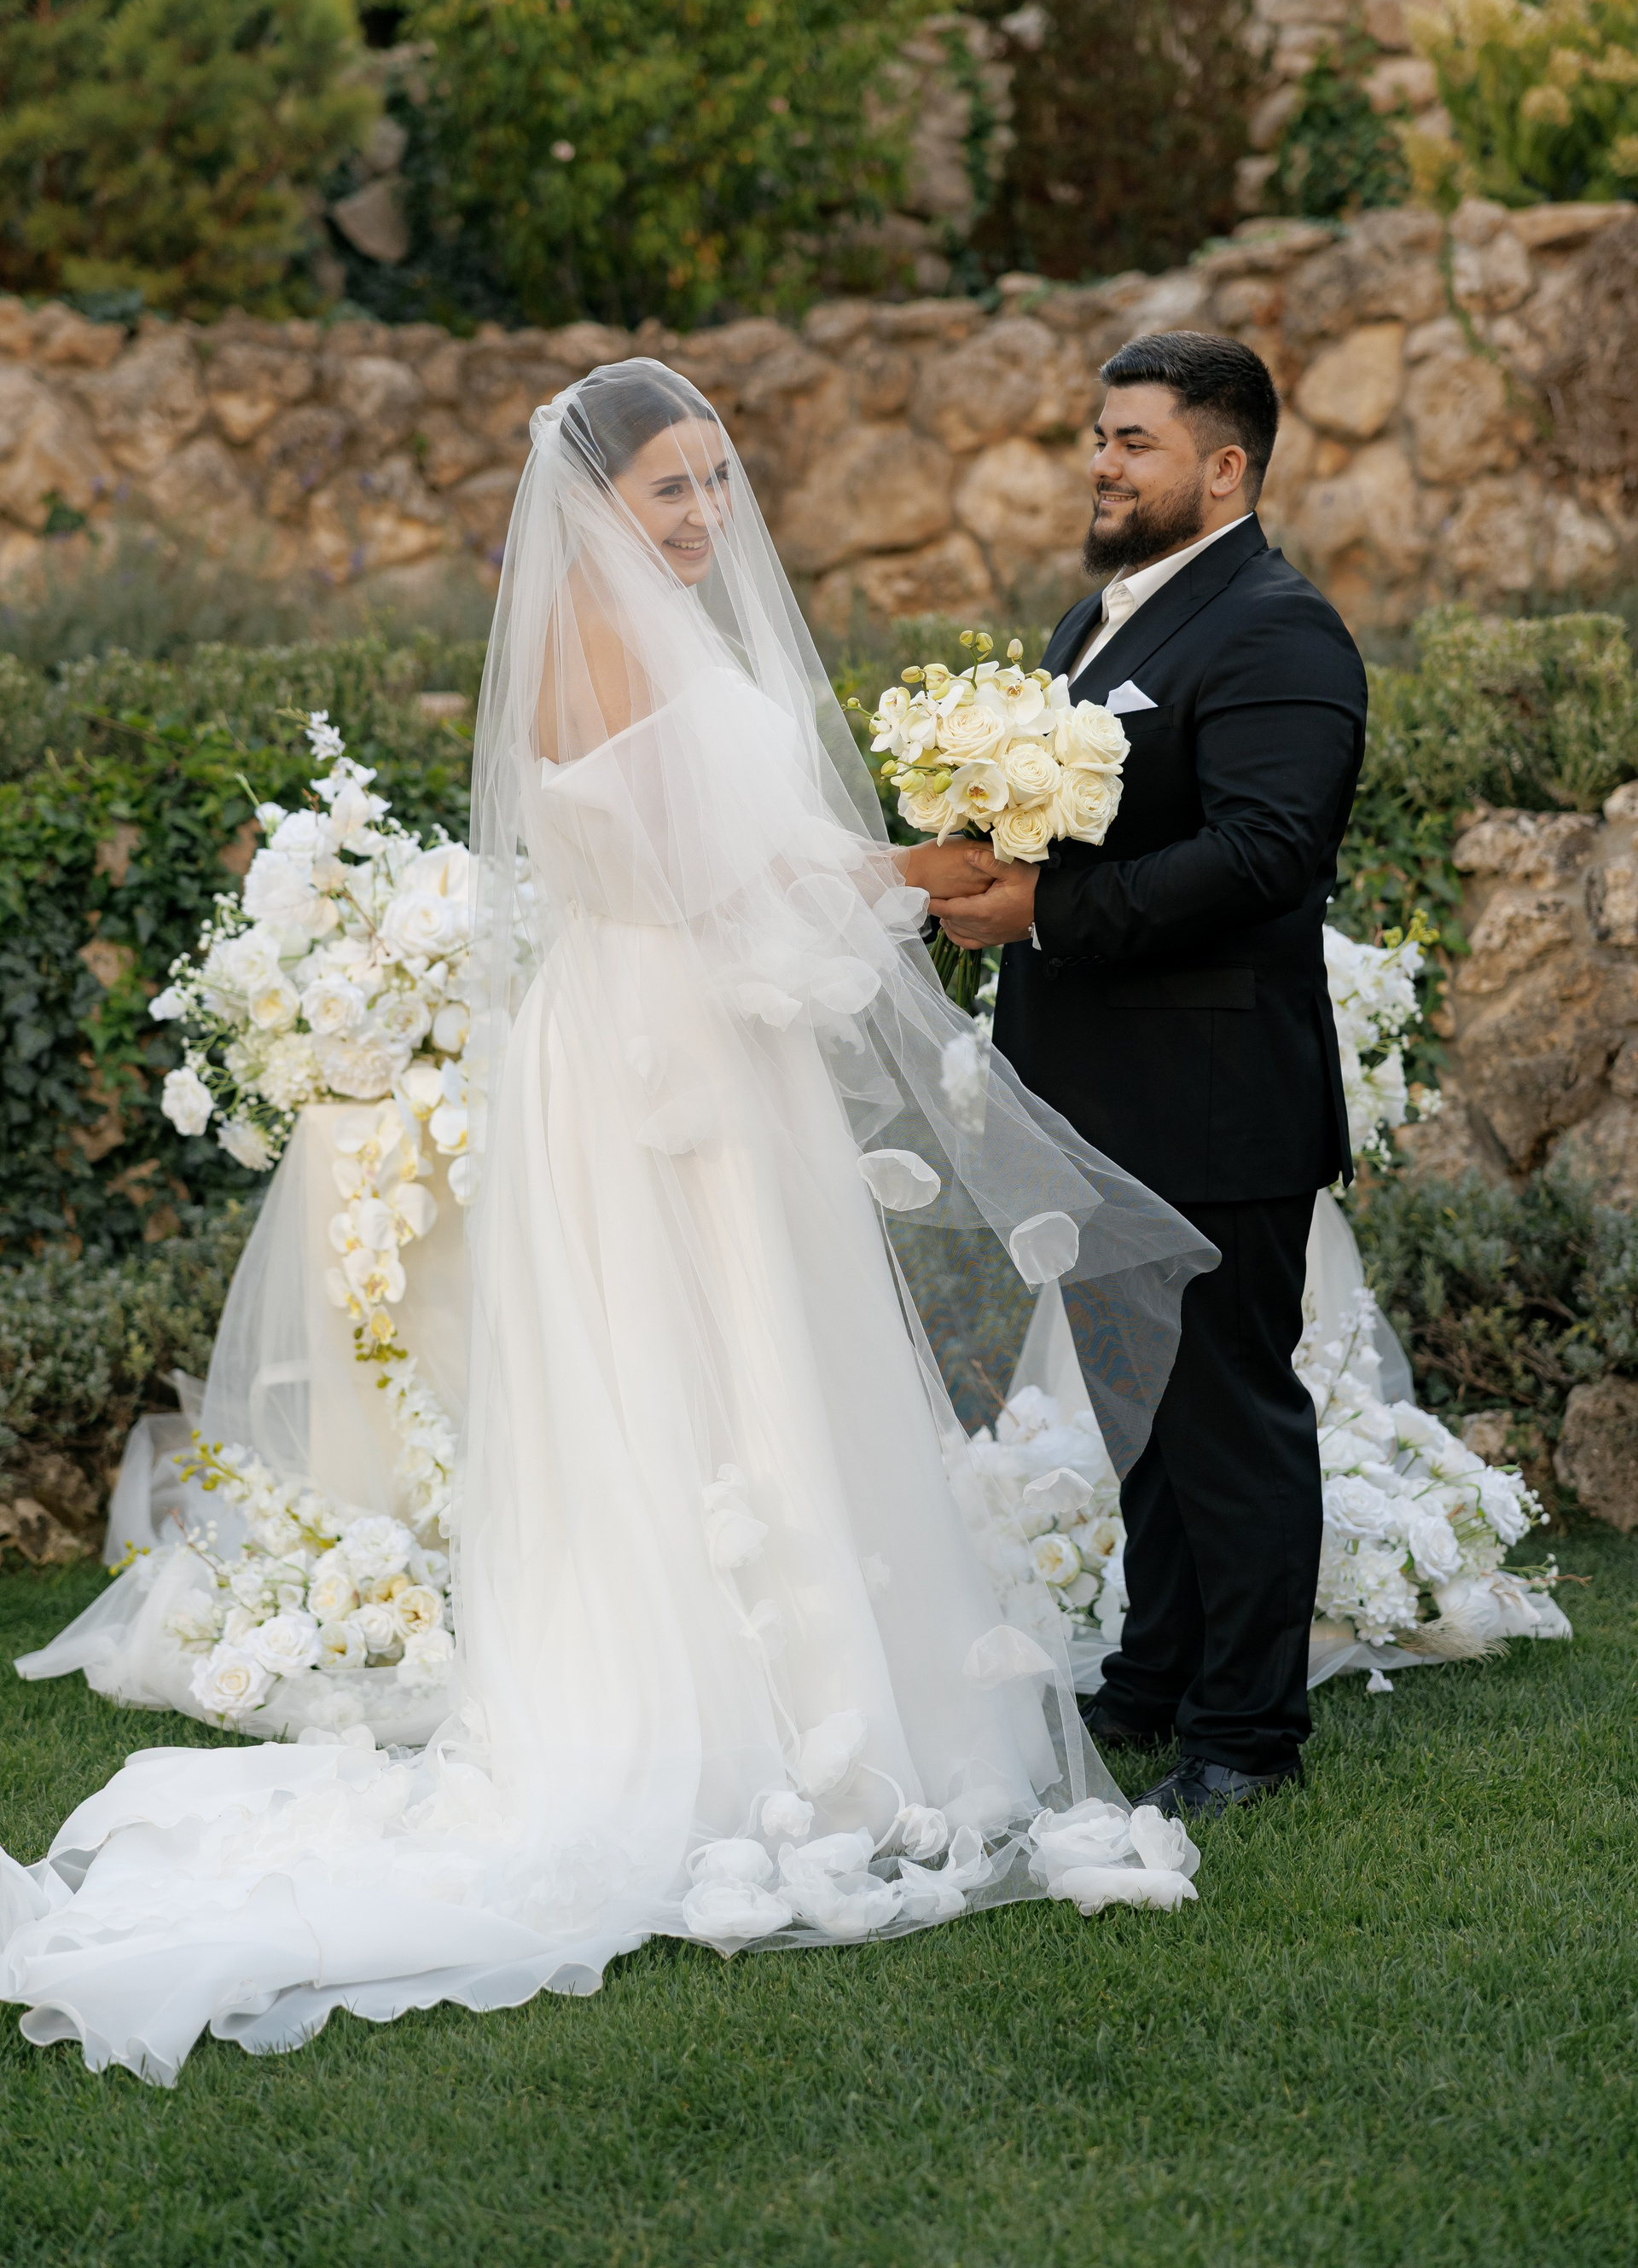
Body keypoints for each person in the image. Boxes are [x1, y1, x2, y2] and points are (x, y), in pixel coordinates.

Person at [0, 362, 1216, 2083]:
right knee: (693, 1363)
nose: (707, 514)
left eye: (719, 479)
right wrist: (926, 878)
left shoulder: (664, 635)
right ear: (595, 504)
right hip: (667, 1056)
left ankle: (803, 1698)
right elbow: (719, 882)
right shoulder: (605, 644)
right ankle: (718, 1722)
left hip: (693, 1034)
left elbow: (742, 865)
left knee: (751, 1354)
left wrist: (919, 869)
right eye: (671, 488)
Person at [932, 333, 1368, 1821]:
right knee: (1145, 1419)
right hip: (1093, 1101)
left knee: (1228, 1420)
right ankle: (1156, 1675)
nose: (1103, 465)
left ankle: (1247, 1734)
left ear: (1225, 467)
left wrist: (1046, 913)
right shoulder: (1095, 622)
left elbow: (1267, 853)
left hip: (1213, 1101)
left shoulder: (1277, 630)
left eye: (1136, 442)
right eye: (1100, 438)